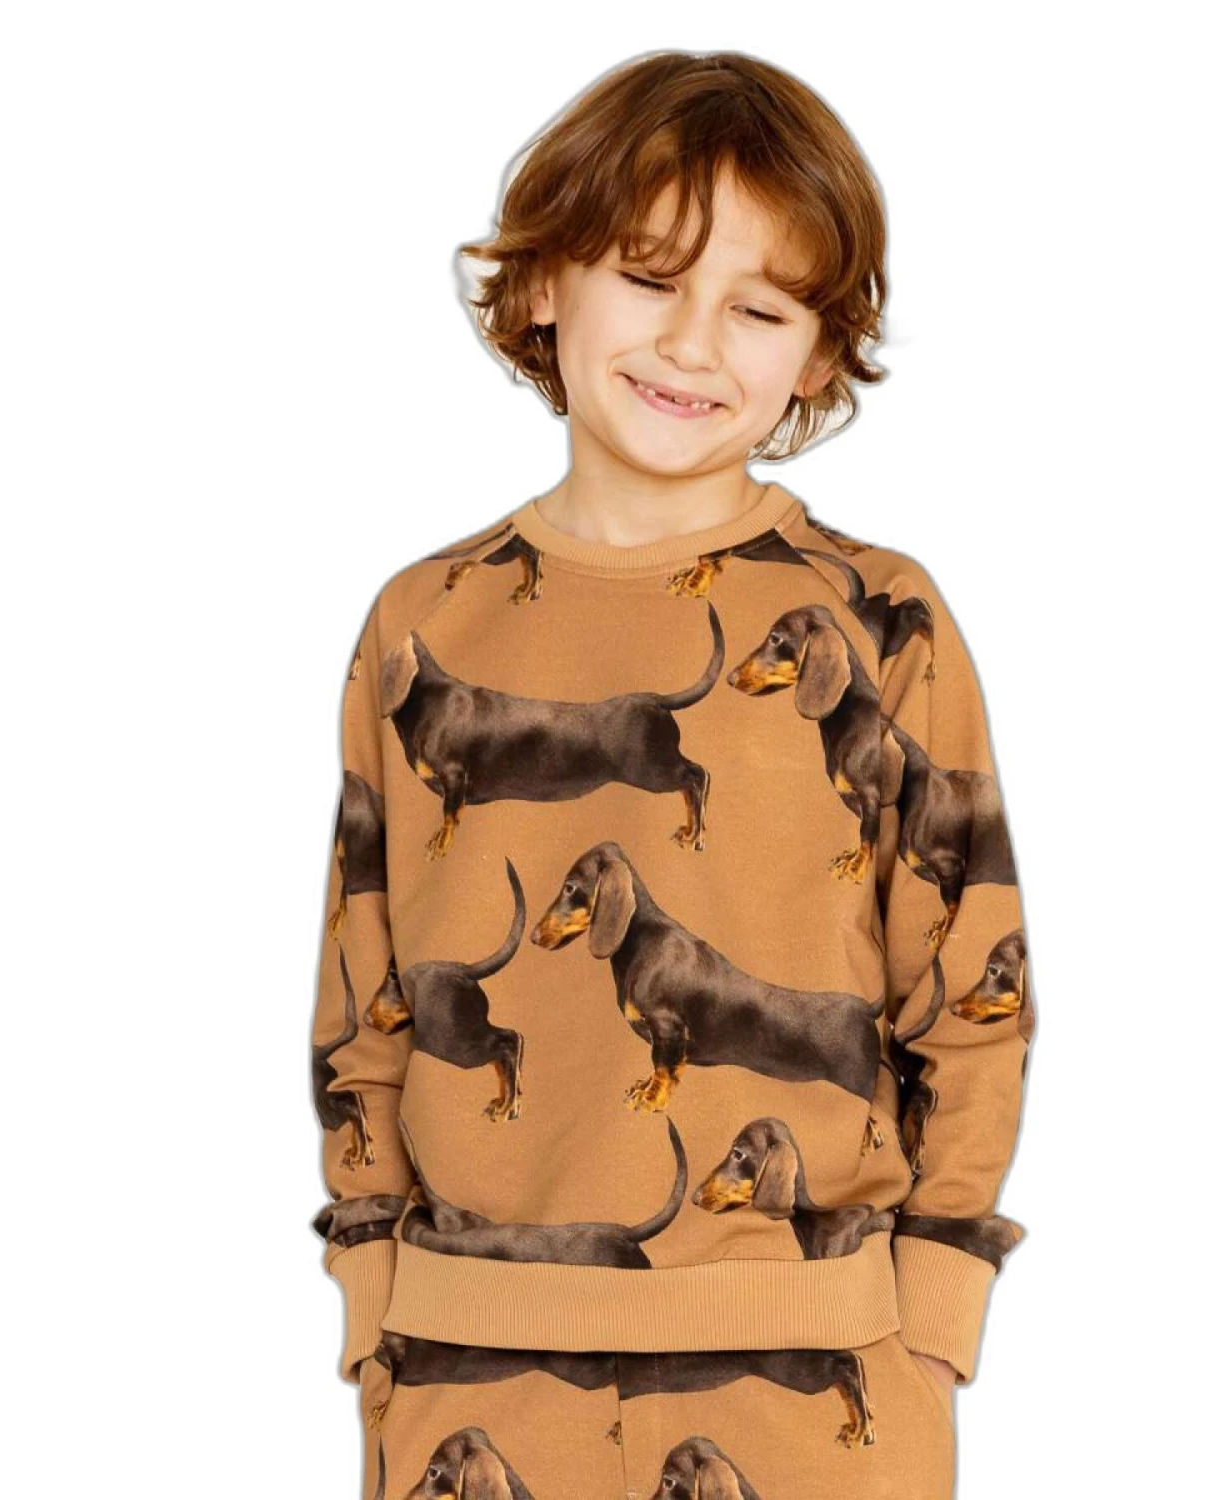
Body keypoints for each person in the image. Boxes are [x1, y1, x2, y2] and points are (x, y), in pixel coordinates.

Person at [309, 49, 1035, 1500]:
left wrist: (937, 1314)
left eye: (759, 310)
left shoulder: (881, 618)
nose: (694, 344)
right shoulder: (421, 622)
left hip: (814, 1359)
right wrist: (372, 1284)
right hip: (469, 1360)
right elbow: (366, 982)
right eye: (649, 279)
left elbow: (971, 987)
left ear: (817, 356)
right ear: (540, 285)